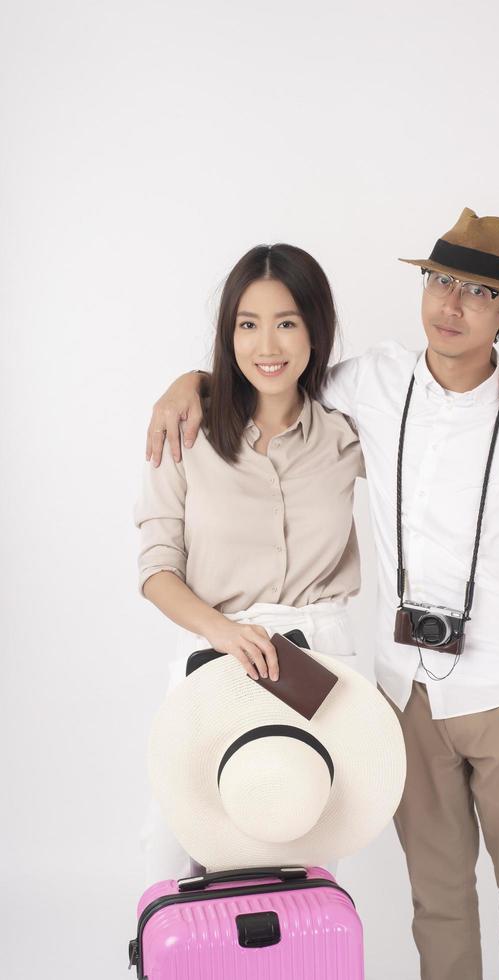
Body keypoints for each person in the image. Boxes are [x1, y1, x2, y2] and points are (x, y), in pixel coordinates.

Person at [146, 208, 499, 980]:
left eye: (478, 293)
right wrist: (186, 380)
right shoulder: (371, 384)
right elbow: (270, 370)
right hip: (404, 694)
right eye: (440, 281)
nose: (451, 305)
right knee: (439, 899)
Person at [135, 242, 366, 881]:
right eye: (248, 323)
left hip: (317, 670)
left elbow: (434, 429)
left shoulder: (349, 434)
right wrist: (224, 631)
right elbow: (157, 567)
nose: (268, 343)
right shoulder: (184, 429)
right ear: (227, 333)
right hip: (214, 661)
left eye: (287, 322)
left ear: (316, 331)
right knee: (179, 850)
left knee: (302, 858)